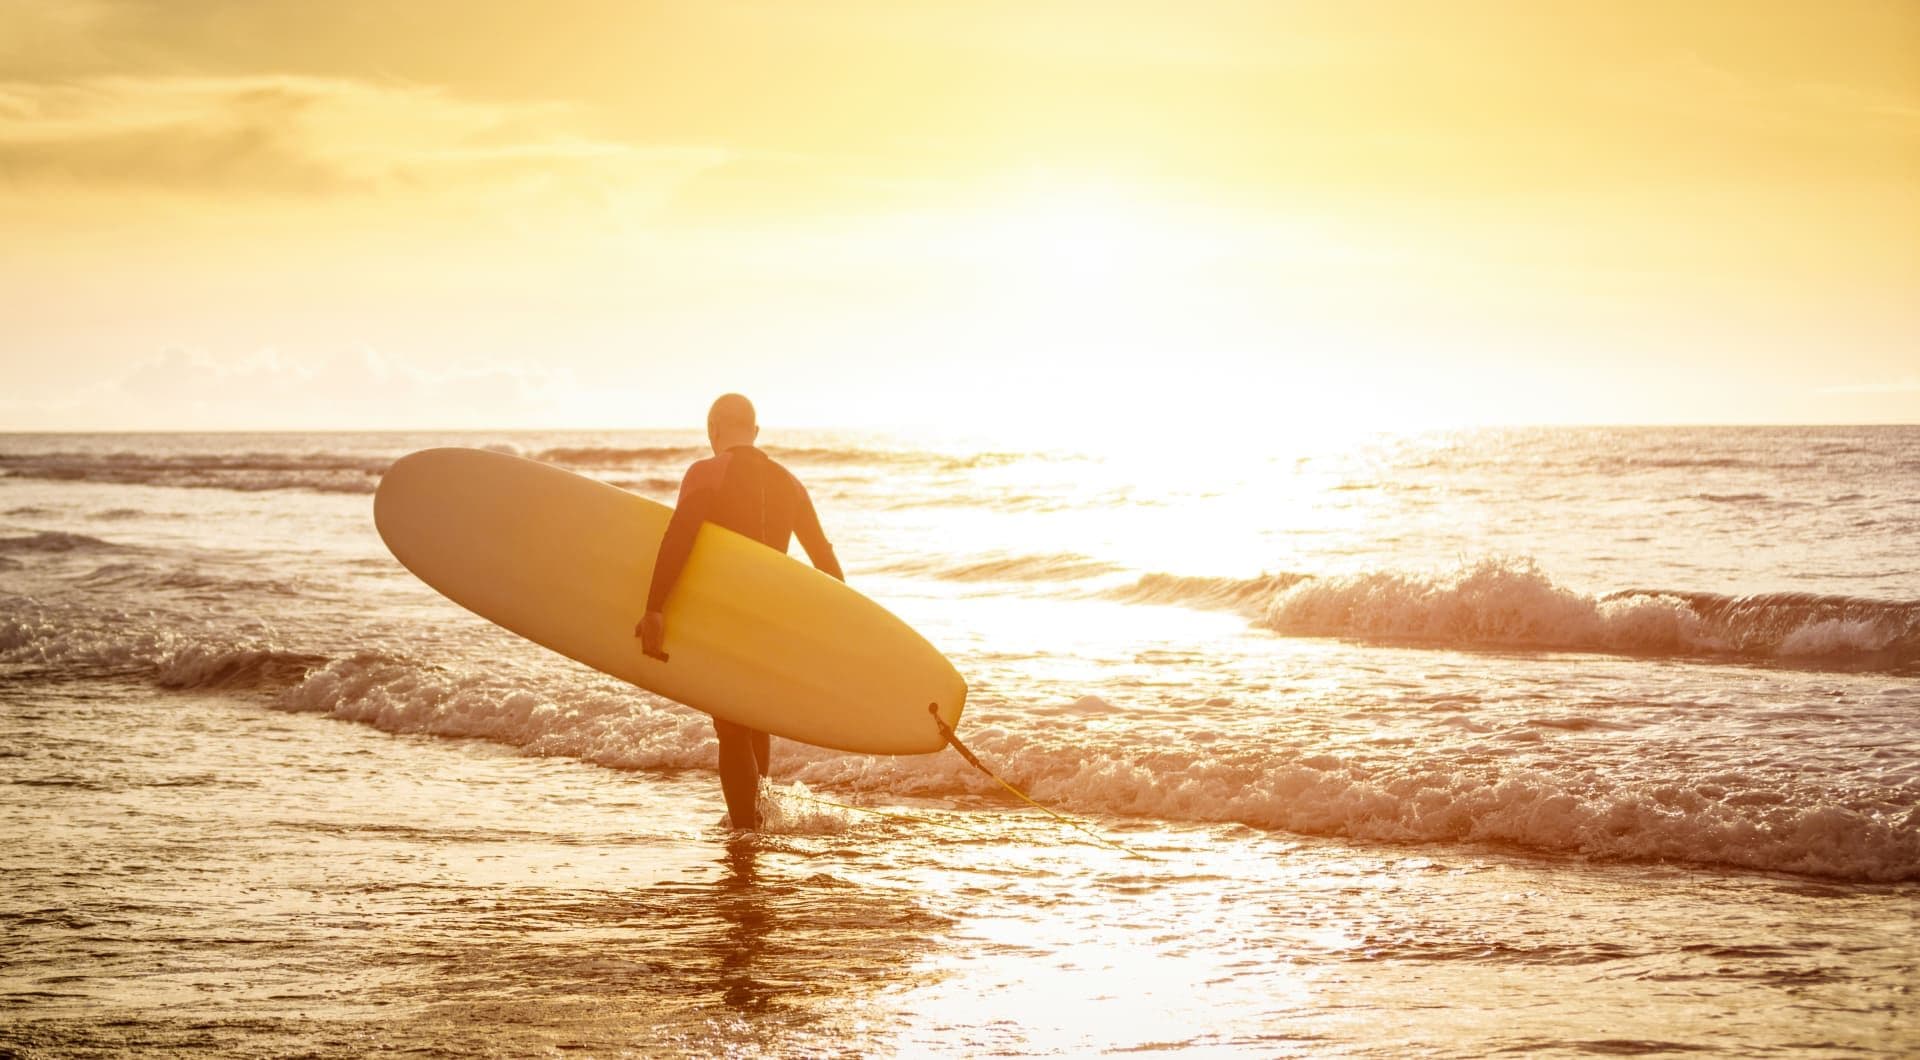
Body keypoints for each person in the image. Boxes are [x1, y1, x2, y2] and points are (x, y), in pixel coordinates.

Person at [636, 394, 844, 830]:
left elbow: (680, 538)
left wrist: (654, 608)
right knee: (754, 718)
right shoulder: (791, 483)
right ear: (755, 430)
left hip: (728, 616)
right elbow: (824, 562)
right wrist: (843, 631)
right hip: (773, 623)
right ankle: (758, 823)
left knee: (731, 728)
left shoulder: (706, 472)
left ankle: (745, 839)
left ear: (713, 430)